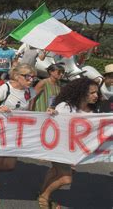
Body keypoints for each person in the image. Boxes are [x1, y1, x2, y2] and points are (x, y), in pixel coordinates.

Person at [38, 77, 99, 209]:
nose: (96, 96)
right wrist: (51, 114)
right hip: (59, 148)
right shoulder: (66, 107)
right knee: (66, 179)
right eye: (92, 93)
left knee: (55, 171)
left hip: (74, 151)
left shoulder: (93, 112)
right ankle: (44, 196)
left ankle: (42, 191)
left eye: (97, 92)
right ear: (82, 93)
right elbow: (53, 126)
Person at [0, 64, 37, 206]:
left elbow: (31, 112)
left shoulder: (31, 91)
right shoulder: (5, 88)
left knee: (10, 165)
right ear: (18, 76)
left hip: (17, 132)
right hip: (1, 131)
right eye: (28, 76)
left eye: (33, 77)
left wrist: (49, 111)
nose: (31, 80)